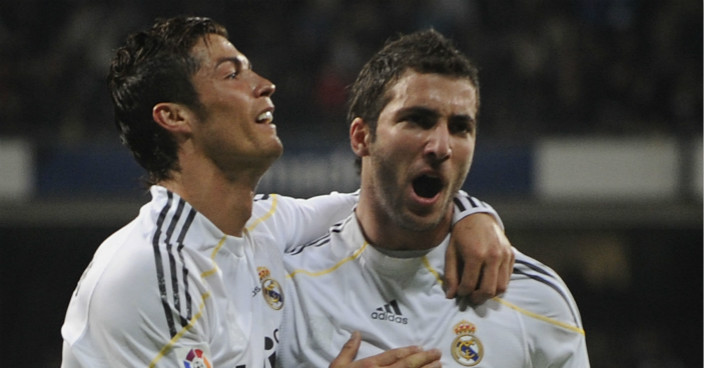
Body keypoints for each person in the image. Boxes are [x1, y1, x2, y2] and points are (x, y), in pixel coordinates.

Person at [60, 17, 514, 368]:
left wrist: (474, 216)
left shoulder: (257, 228)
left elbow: (381, 200)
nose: (264, 84)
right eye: (231, 74)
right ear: (175, 117)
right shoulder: (152, 271)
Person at [277, 29, 590, 367]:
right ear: (361, 137)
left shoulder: (535, 299)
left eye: (460, 128)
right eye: (418, 120)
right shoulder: (286, 288)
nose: (442, 146)